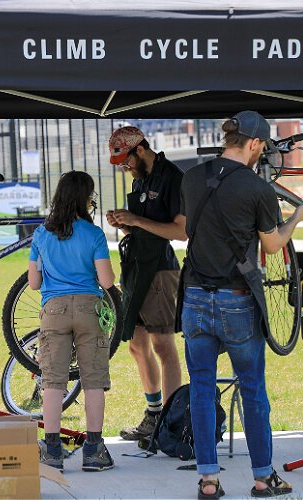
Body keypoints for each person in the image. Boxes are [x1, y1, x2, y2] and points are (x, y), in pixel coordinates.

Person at [179, 111, 303, 498]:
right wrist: (297, 216)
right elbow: (272, 245)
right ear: (255, 143)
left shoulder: (192, 177)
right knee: (253, 388)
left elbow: (190, 227)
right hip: (236, 300)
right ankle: (262, 476)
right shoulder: (258, 189)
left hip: (194, 297)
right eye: (263, 147)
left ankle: (208, 479)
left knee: (202, 388)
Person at [28, 170, 117, 472]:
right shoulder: (93, 234)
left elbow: (33, 283)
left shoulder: (41, 234)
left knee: (53, 382)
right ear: (85, 199)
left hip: (53, 311)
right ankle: (93, 450)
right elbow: (106, 280)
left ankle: (52, 449)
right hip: (90, 309)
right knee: (93, 381)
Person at [106, 126, 187, 441]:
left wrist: (136, 220)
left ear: (140, 150)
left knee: (163, 345)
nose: (124, 168)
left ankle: (171, 418)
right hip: (136, 270)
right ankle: (153, 415)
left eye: (125, 161)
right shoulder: (140, 179)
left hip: (160, 272)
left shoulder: (172, 177)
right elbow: (145, 231)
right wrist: (125, 224)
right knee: (137, 345)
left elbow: (180, 232)